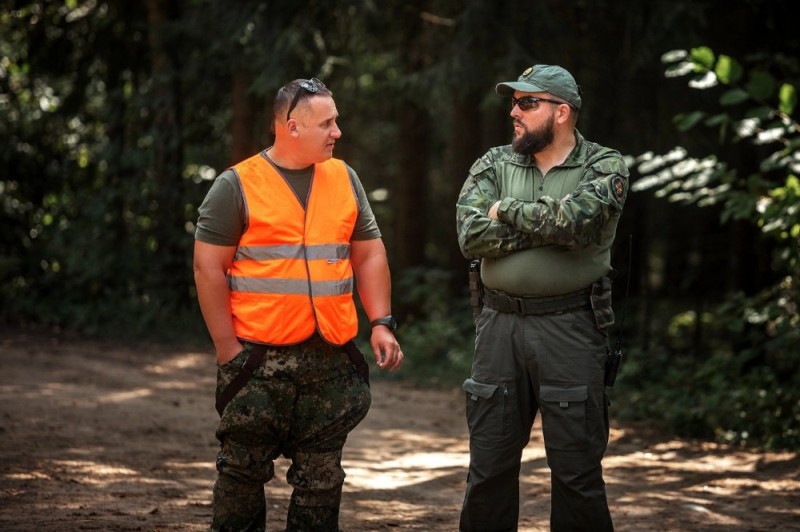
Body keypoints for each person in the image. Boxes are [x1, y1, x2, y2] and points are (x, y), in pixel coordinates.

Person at [193, 77, 403, 532]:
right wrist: (227, 348)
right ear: (292, 126)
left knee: (322, 482)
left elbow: (369, 253)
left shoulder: (344, 177)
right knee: (241, 474)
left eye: (336, 121)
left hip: (329, 362)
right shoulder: (237, 185)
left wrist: (381, 322)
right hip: (256, 363)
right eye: (327, 123)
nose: (337, 132)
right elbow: (208, 269)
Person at [455, 64, 629, 531]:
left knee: (575, 472)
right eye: (514, 102)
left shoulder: (603, 165)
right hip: (498, 328)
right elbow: (471, 235)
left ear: (561, 112)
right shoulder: (495, 162)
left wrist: (507, 211)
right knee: (488, 468)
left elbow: (577, 223)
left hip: (570, 328)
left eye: (528, 103)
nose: (515, 111)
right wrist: (549, 229)